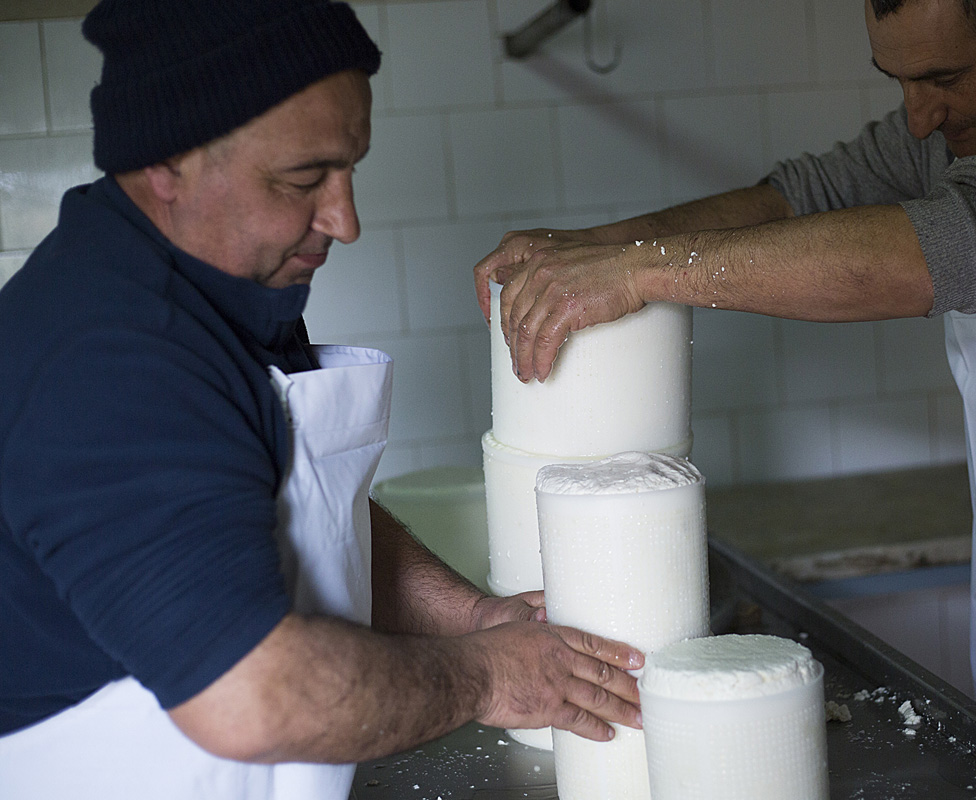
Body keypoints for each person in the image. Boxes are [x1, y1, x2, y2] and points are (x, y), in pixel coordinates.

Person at [475, 0, 976, 794]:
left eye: (943, 77)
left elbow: (943, 248)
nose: (919, 119)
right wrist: (602, 247)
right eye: (896, 80)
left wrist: (639, 273)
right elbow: (806, 195)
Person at [0, 1, 642, 798]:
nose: (345, 219)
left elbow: (295, 508)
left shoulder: (222, 286)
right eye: (304, 179)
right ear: (167, 163)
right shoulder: (111, 359)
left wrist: (473, 620)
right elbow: (251, 699)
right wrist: (485, 678)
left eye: (350, 169)